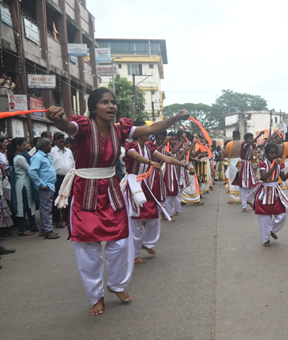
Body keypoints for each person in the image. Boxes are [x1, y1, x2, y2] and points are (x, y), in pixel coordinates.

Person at [48, 87, 191, 315]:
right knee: (88, 249)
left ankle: (116, 285)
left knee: (121, 243)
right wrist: (59, 117)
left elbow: (152, 127)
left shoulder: (120, 129)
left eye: (113, 102)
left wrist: (176, 118)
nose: (111, 105)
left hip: (111, 190)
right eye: (104, 102)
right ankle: (96, 296)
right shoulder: (84, 127)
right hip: (85, 191)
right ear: (93, 107)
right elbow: (67, 126)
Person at [125, 122, 194, 264]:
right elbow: (136, 157)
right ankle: (134, 255)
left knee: (154, 216)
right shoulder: (131, 146)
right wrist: (150, 162)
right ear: (137, 132)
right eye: (145, 129)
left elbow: (168, 159)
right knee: (136, 222)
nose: (149, 132)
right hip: (133, 185)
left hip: (146, 184)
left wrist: (185, 165)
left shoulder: (149, 147)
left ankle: (147, 243)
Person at [249, 143, 288, 247]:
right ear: (266, 153)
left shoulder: (280, 164)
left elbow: (283, 178)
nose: (274, 155)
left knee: (282, 215)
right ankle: (265, 240)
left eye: (275, 153)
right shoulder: (263, 164)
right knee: (264, 218)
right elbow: (264, 177)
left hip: (275, 192)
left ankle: (270, 230)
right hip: (264, 192)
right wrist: (274, 166)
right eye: (271, 153)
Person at [28, 138, 59, 239]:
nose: (51, 147)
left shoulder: (45, 156)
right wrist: (41, 184)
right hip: (45, 187)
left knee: (44, 208)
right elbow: (32, 171)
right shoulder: (38, 157)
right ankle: (48, 231)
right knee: (46, 209)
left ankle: (43, 229)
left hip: (49, 185)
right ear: (45, 146)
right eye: (49, 145)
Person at [7, 138, 38, 236]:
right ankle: (22, 229)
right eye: (24, 145)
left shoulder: (20, 156)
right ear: (18, 146)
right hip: (23, 184)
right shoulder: (19, 158)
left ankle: (33, 225)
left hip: (26, 183)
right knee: (23, 206)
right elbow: (29, 169)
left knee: (29, 205)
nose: (26, 146)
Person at [50, 132, 75, 229]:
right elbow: (50, 164)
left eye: (62, 138)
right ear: (55, 141)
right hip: (58, 177)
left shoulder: (68, 151)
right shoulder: (52, 151)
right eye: (59, 138)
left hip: (69, 176)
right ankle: (57, 220)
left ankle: (68, 218)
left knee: (68, 197)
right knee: (58, 197)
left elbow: (72, 163)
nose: (61, 140)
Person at [237, 131, 264, 212]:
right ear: (245, 139)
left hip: (249, 165)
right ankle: (244, 206)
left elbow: (261, 145)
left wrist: (271, 138)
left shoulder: (252, 145)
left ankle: (249, 200)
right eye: (249, 138)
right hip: (244, 164)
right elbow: (250, 143)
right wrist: (259, 135)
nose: (251, 140)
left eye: (252, 138)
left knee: (253, 185)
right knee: (243, 186)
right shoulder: (243, 144)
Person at [225, 130, 242, 204]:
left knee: (232, 179)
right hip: (242, 162)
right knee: (241, 179)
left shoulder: (229, 144)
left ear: (233, 136)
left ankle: (233, 198)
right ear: (240, 136)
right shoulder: (243, 143)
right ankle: (242, 196)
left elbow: (226, 154)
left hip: (233, 162)